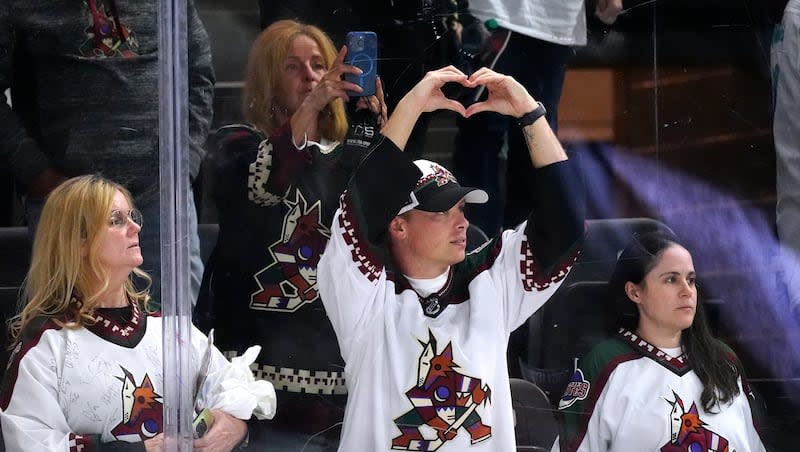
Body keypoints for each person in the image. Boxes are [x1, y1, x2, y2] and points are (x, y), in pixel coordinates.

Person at [318, 65, 585, 451]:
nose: (462, 222)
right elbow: (363, 203)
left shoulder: (490, 282)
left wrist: (530, 114)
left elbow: (566, 229)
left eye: (462, 208)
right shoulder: (366, 295)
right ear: (398, 226)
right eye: (442, 212)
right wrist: (413, 106)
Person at [193, 19, 386, 450]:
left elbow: (382, 211)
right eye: (293, 67)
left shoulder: (347, 152)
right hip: (255, 380)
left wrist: (374, 131)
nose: (312, 76)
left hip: (341, 382)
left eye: (320, 65)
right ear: (267, 78)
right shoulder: (236, 143)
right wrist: (314, 104)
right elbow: (265, 180)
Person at [0, 175, 275, 451]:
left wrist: (234, 426)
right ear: (78, 242)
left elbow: (232, 387)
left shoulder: (169, 329)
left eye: (132, 217)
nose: (134, 228)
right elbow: (30, 441)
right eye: (116, 221)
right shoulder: (45, 344)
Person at [0, 0, 214, 304]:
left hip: (160, 198)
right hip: (71, 204)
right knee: (67, 330)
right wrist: (37, 173)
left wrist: (183, 164)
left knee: (174, 334)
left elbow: (199, 76)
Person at [553, 231, 766, 451]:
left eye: (691, 280)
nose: (687, 291)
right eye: (671, 279)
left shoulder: (724, 361)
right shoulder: (606, 363)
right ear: (634, 292)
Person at [452, 0, 623, 235]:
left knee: (533, 139)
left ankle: (523, 256)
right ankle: (476, 254)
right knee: (482, 138)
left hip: (554, 21)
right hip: (497, 15)